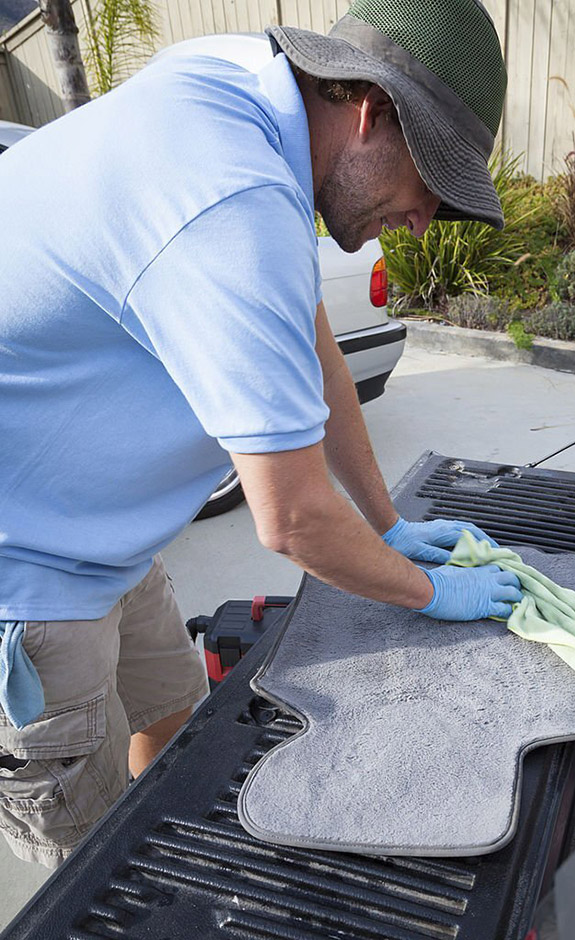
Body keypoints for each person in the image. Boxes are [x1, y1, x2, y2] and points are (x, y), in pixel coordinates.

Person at [0, 0, 521, 868]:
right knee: (90, 871)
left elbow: (314, 340)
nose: (426, 221)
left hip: (116, 541)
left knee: (172, 724)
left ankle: (168, 845)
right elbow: (291, 522)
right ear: (371, 112)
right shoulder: (229, 195)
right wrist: (432, 596)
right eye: (432, 184)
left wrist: (386, 521)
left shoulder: (247, 92)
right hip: (30, 576)